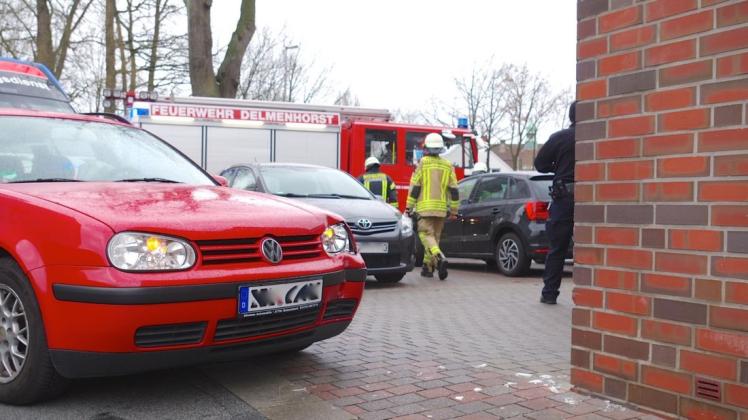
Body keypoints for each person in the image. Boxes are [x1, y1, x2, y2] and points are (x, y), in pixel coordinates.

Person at [534, 101, 577, 305]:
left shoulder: (560, 138)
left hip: (565, 198)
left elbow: (540, 164)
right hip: (594, 200)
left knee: (558, 248)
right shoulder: (599, 137)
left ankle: (550, 293)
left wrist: (559, 166)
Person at [406, 133, 459, 280]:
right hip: (441, 210)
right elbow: (454, 190)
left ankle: (439, 257)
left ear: (427, 148)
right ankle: (428, 268)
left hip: (425, 208)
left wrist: (409, 207)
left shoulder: (423, 163)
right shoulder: (448, 165)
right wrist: (454, 210)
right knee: (434, 238)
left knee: (425, 236)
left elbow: (415, 187)